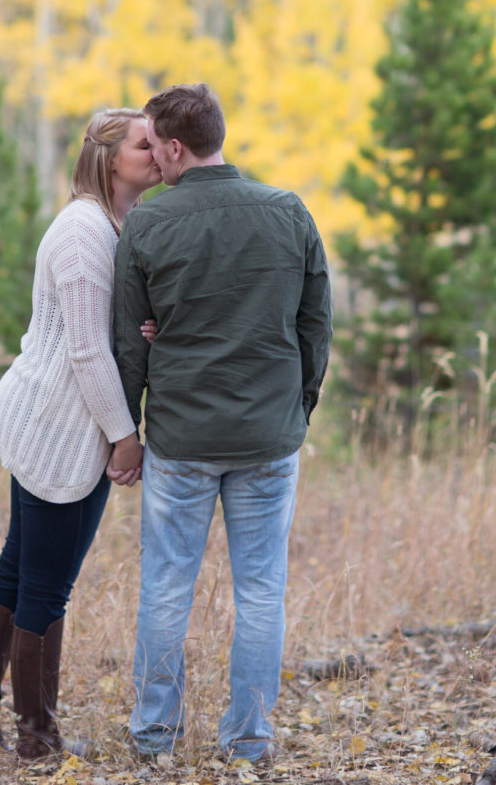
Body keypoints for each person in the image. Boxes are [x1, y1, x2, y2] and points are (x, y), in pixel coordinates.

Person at [113, 82, 333, 765]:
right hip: (268, 435)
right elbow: (315, 325)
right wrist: (297, 407)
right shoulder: (287, 211)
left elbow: (128, 339)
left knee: (167, 586)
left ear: (177, 147)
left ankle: (154, 737)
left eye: (154, 144)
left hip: (181, 438)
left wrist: (128, 433)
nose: (151, 156)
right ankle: (248, 739)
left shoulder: (149, 222)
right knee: (263, 588)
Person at [0, 108, 158, 759]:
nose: (157, 153)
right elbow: (88, 354)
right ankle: (36, 737)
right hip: (59, 425)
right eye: (143, 144)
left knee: (21, 570)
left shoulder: (117, 225)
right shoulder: (82, 232)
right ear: (108, 158)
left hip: (73, 419)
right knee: (43, 582)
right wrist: (126, 436)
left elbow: (104, 328)